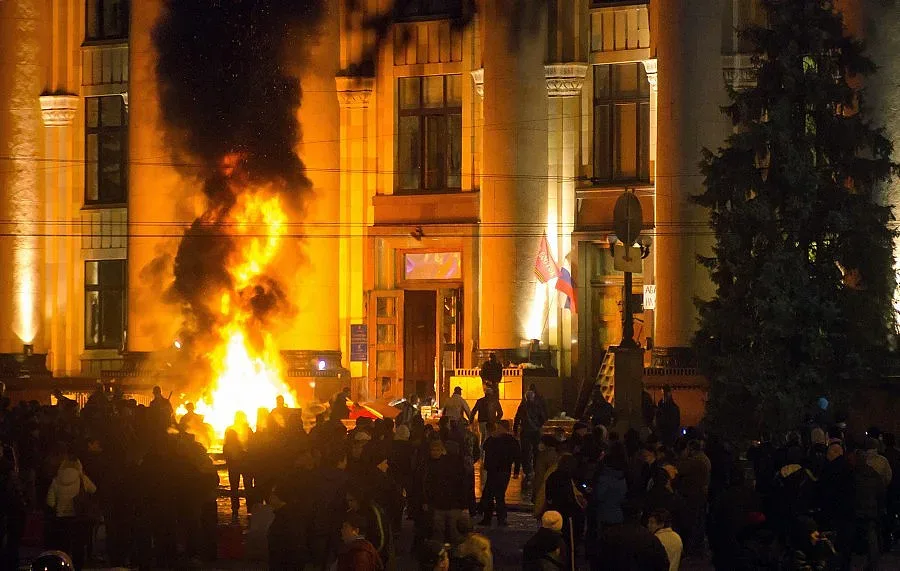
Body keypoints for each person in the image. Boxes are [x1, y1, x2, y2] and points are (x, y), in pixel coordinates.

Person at [46, 449, 97, 571]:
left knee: (63, 547)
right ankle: (77, 568)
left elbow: (50, 501)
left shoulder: (56, 480)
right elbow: (94, 489)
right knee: (78, 547)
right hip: (78, 517)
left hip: (61, 518)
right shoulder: (81, 479)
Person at [594, 500, 670, 571]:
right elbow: (663, 564)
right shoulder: (650, 538)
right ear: (640, 514)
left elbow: (597, 561)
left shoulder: (608, 534)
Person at [423, 439, 470, 545]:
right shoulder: (458, 466)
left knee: (439, 533)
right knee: (453, 534)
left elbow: (429, 485)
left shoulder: (433, 466)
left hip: (441, 504)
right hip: (451, 505)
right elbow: (463, 486)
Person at [479, 420, 519, 527]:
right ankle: (499, 519)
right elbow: (517, 456)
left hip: (497, 470)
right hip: (501, 471)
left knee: (493, 495)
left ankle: (490, 519)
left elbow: (485, 447)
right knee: (496, 495)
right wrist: (516, 471)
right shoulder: (511, 440)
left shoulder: (497, 439)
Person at [223, 410, 253, 522]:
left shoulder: (232, 429)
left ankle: (236, 509)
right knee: (247, 486)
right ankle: (249, 508)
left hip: (236, 465)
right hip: (244, 463)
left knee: (235, 488)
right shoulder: (246, 430)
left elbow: (225, 447)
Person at [514, 389, 548, 483]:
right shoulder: (537, 406)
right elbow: (543, 418)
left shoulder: (522, 407)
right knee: (536, 451)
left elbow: (517, 418)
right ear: (533, 397)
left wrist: (515, 429)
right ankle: (536, 468)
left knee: (525, 451)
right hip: (535, 431)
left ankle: (527, 470)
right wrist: (538, 425)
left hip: (525, 431)